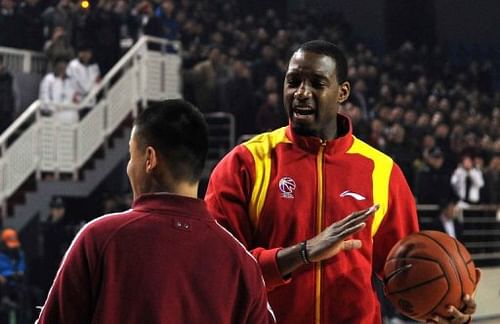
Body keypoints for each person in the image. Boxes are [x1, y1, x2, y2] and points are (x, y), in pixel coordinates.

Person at [205, 40, 478, 324]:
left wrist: (444, 309)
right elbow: (221, 270)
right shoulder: (245, 163)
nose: (301, 93)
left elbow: (406, 275)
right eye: (293, 81)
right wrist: (304, 252)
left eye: (317, 83)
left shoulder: (382, 171)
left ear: (342, 92)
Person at [37, 99, 275, 323]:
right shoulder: (241, 263)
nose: (130, 168)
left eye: (131, 156)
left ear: (149, 158)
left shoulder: (99, 239)